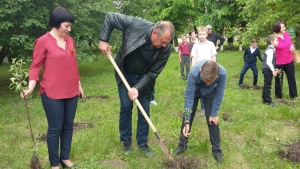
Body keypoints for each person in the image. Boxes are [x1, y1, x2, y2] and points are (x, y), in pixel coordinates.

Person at [98, 12, 174, 157]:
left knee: (144, 109)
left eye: (167, 42)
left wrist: (137, 87)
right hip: (124, 73)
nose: (165, 45)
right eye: (163, 41)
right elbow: (110, 17)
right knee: (126, 106)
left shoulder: (166, 49)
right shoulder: (136, 24)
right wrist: (103, 39)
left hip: (144, 79)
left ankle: (142, 143)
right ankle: (126, 141)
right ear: (154, 32)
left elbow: (153, 73)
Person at [20, 7, 83, 169]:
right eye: (66, 26)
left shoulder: (69, 41)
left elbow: (73, 65)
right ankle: (54, 164)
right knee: (55, 128)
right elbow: (35, 66)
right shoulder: (43, 41)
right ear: (56, 23)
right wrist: (30, 87)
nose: (69, 29)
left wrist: (79, 85)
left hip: (71, 91)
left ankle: (65, 158)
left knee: (68, 125)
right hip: (52, 92)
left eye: (70, 26)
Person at [173, 60, 226, 163]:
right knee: (187, 117)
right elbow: (189, 96)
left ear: (217, 74)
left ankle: (217, 152)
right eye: (206, 80)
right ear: (201, 71)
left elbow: (219, 93)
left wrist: (214, 113)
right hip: (196, 89)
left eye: (210, 81)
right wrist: (187, 121)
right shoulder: (193, 73)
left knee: (213, 120)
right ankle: (181, 146)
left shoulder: (222, 73)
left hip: (210, 91)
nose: (207, 83)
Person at [191, 26, 217, 116]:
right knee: (199, 88)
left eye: (203, 34)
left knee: (209, 87)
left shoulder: (210, 44)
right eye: (200, 34)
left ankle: (209, 107)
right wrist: (193, 70)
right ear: (198, 35)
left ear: (206, 34)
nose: (201, 36)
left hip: (209, 70)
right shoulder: (195, 45)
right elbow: (194, 58)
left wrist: (214, 69)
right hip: (199, 70)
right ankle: (201, 108)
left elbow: (213, 57)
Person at [273, 21, 298, 99]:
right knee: (279, 80)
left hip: (289, 60)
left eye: (284, 27)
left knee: (291, 78)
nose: (285, 28)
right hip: (279, 62)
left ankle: (294, 96)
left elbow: (290, 43)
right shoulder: (274, 38)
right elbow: (279, 46)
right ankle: (279, 97)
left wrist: (292, 47)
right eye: (283, 27)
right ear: (278, 28)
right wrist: (287, 44)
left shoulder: (286, 34)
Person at [262, 35, 280, 107]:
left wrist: (274, 68)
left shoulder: (272, 49)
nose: (277, 41)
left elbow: (271, 62)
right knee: (268, 85)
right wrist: (273, 71)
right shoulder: (270, 50)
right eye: (276, 40)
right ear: (272, 41)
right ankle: (268, 101)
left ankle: (264, 98)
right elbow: (268, 62)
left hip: (267, 69)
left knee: (266, 84)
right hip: (267, 69)